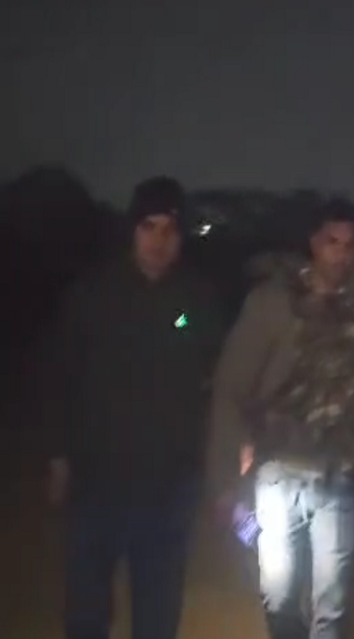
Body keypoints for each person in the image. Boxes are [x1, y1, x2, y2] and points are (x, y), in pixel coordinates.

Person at [208, 198, 354, 639]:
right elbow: (231, 388)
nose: (341, 254)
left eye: (350, 245)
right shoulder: (273, 304)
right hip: (277, 476)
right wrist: (225, 479)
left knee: (332, 605)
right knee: (278, 597)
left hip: (337, 476)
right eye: (332, 242)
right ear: (313, 243)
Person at [42, 177, 223, 639]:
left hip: (168, 486)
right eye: (149, 227)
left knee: (157, 615)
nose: (159, 241)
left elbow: (214, 377)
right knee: (86, 614)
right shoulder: (91, 294)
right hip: (97, 480)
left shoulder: (196, 299)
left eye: (170, 230)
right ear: (131, 229)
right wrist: (59, 457)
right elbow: (60, 378)